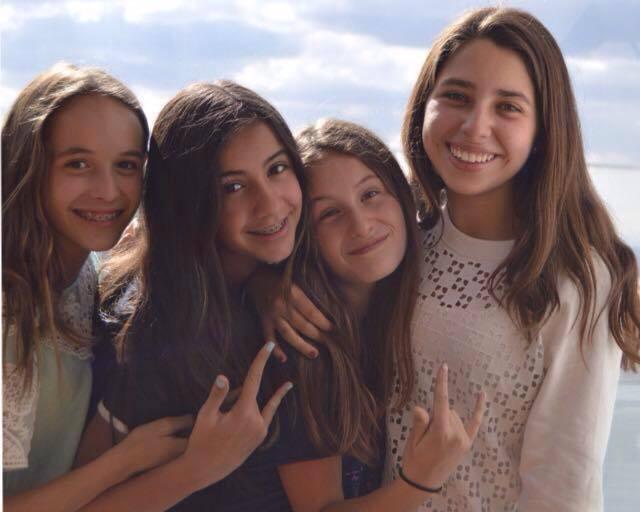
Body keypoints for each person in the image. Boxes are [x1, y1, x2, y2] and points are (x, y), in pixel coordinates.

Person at [383, 6, 640, 511]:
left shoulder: (577, 280)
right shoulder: (395, 245)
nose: (475, 126)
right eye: (457, 96)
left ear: (543, 131)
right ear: (423, 105)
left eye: (508, 107)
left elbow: (562, 491)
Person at [81, 80, 311, 511]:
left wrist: (265, 286)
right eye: (233, 187)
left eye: (277, 168)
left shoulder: (291, 285)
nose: (269, 204)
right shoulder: (146, 332)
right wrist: (196, 469)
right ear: (187, 203)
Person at [249, 118, 485, 511]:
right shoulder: (303, 346)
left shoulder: (413, 304)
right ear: (303, 235)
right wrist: (420, 481)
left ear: (401, 196)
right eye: (330, 214)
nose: (361, 225)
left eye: (371, 194)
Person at [2, 63, 191, 511]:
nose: (108, 191)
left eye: (126, 165)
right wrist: (123, 461)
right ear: (27, 164)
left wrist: (273, 292)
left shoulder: (88, 275)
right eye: (78, 163)